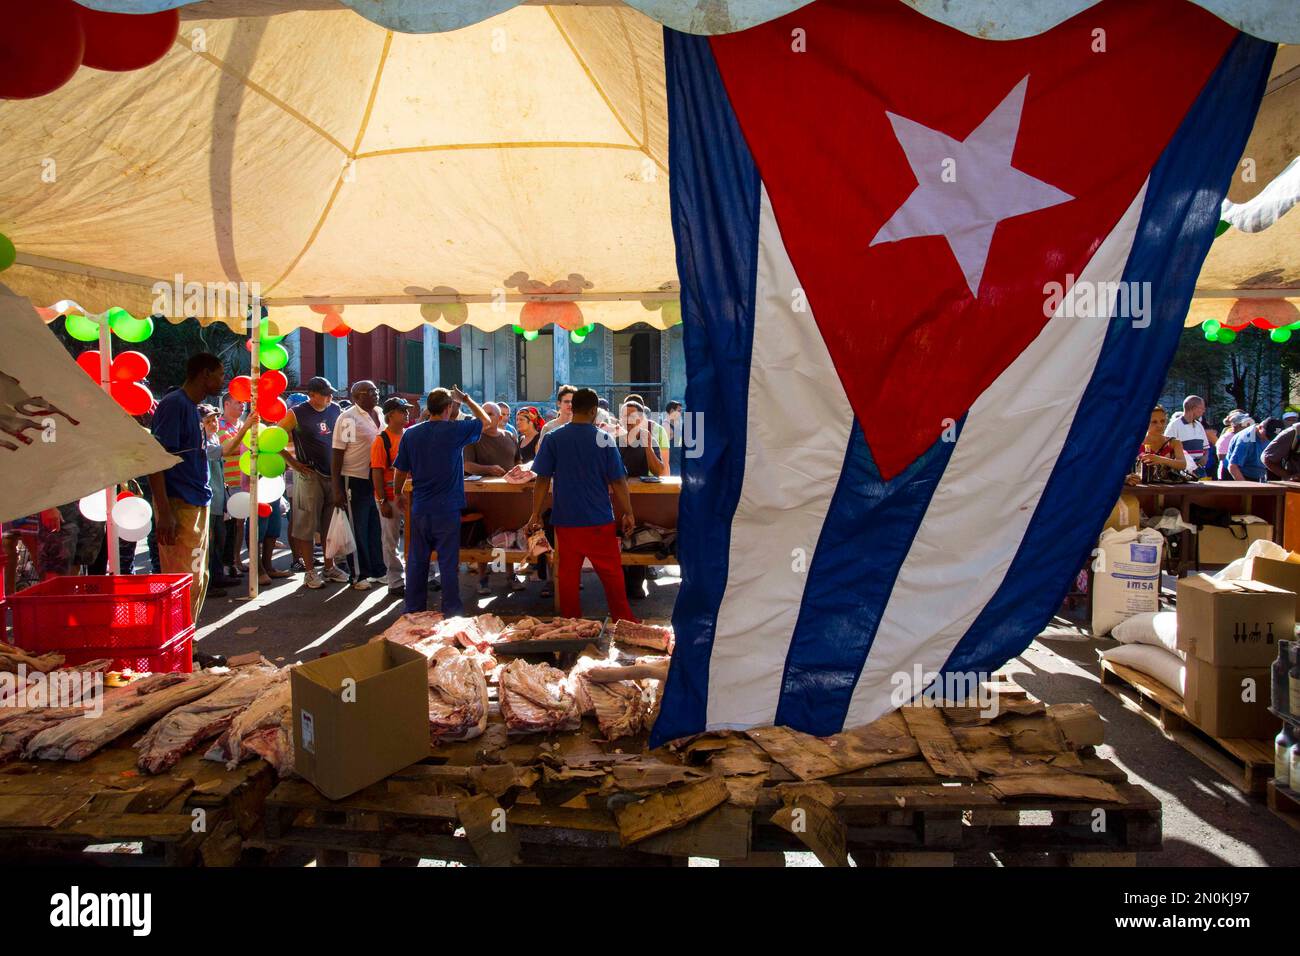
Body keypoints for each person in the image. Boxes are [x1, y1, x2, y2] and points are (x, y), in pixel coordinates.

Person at [527, 387, 638, 623]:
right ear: (593, 411)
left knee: (567, 576)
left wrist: (535, 514)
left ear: (572, 408)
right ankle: (624, 621)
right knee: (612, 575)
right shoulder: (604, 439)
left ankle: (570, 624)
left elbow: (542, 479)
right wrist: (628, 512)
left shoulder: (553, 438)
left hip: (565, 520)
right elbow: (618, 481)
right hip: (599, 520)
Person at [394, 387, 492, 616]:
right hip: (447, 508)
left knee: (418, 561)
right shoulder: (455, 430)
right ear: (449, 408)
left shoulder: (411, 433)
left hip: (420, 506)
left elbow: (401, 469)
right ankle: (451, 611)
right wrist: (466, 399)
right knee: (448, 563)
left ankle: (414, 609)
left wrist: (397, 494)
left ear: (429, 408)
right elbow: (486, 421)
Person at [148, 352, 225, 619]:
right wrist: (165, 511)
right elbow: (156, 459)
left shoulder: (191, 408)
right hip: (178, 503)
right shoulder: (174, 405)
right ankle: (181, 644)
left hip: (196, 501)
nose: (222, 380)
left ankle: (189, 641)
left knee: (198, 575)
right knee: (183, 579)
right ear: (205, 374)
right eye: (220, 374)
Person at [278, 376, 347, 590]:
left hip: (332, 474)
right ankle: (309, 571)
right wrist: (293, 463)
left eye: (330, 393)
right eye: (325, 394)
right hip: (309, 475)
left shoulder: (336, 409)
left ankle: (329, 566)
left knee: (329, 524)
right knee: (306, 524)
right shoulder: (296, 413)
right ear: (312, 395)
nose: (330, 397)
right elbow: (275, 437)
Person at [463, 400, 523, 594]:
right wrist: (488, 469)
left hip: (509, 496)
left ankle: (510, 574)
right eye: (484, 412)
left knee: (508, 535)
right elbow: (467, 465)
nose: (486, 416)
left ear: (499, 418)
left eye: (490, 413)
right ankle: (482, 578)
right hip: (483, 497)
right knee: (484, 537)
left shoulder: (510, 436)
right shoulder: (473, 438)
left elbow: (518, 461)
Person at [332, 380, 385, 590]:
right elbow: (337, 453)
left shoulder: (379, 413)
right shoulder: (348, 419)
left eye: (376, 391)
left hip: (375, 477)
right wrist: (337, 487)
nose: (375, 394)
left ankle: (378, 570)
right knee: (358, 527)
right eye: (370, 392)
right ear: (357, 397)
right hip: (354, 477)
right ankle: (358, 574)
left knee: (375, 525)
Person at [616, 400, 669, 601]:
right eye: (624, 416)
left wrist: (647, 445)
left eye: (632, 416)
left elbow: (659, 470)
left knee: (638, 540)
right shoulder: (614, 441)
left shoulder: (649, 440)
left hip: (640, 501)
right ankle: (621, 585)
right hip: (618, 499)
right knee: (620, 541)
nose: (628, 421)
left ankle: (637, 583)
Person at [371, 396, 411, 596]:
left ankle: (422, 576)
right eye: (402, 411)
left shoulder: (410, 436)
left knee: (417, 537)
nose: (406, 414)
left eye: (406, 410)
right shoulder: (382, 440)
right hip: (389, 496)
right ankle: (395, 581)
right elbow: (377, 471)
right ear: (390, 415)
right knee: (391, 539)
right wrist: (382, 501)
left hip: (411, 495)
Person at [216, 392, 248, 577]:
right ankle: (227, 562)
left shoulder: (242, 425)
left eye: (243, 403)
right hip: (227, 481)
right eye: (238, 402)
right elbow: (227, 449)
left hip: (243, 480)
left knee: (240, 523)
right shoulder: (219, 425)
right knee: (229, 525)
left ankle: (236, 559)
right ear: (226, 404)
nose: (242, 406)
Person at [1135, 405, 1188, 480]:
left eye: (1162, 421)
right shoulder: (1134, 444)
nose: (1159, 425)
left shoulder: (1174, 442)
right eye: (1154, 422)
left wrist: (1161, 459)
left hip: (1170, 489)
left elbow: (1182, 464)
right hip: (1141, 489)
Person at [1164, 395, 1209, 476]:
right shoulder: (1174, 425)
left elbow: (1205, 448)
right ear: (1194, 408)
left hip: (1199, 469)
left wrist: (1205, 458)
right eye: (1202, 408)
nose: (1203, 411)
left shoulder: (1199, 425)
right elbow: (1166, 448)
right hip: (1182, 470)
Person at [1227, 417, 1283, 482]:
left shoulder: (1274, 434)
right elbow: (1233, 467)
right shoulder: (1246, 439)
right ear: (1260, 427)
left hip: (1258, 476)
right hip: (1237, 475)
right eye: (1267, 435)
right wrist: (1245, 488)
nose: (1269, 439)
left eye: (1272, 436)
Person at [1214, 410, 1249, 480]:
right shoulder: (1225, 438)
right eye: (1245, 423)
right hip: (1227, 475)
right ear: (1237, 425)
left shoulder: (1247, 436)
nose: (1247, 425)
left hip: (1242, 472)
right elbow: (1222, 459)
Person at [664, 400, 684, 477]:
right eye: (679, 411)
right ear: (672, 411)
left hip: (678, 465)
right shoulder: (666, 426)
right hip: (672, 468)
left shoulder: (676, 425)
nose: (680, 413)